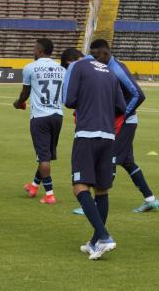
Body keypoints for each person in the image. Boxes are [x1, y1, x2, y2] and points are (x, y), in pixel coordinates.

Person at [83, 39, 159, 213]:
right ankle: (150, 199)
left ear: (105, 53)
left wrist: (122, 115)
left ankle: (97, 203)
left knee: (107, 158)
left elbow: (138, 95)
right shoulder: (104, 66)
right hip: (120, 121)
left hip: (125, 122)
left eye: (96, 56)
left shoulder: (116, 69)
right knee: (127, 162)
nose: (94, 60)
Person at [64, 54, 126, 260]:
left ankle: (104, 236)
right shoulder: (110, 71)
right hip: (108, 136)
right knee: (102, 189)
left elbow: (69, 100)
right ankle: (94, 242)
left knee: (80, 186)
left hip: (86, 134)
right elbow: (121, 106)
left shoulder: (77, 66)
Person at [14, 38, 65, 204]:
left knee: (43, 157)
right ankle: (34, 185)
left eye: (35, 49)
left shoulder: (30, 68)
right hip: (57, 115)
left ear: (40, 51)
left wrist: (18, 103)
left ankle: (49, 194)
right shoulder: (61, 68)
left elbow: (25, 93)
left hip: (40, 117)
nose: (33, 51)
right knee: (46, 155)